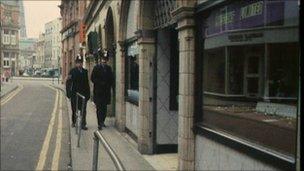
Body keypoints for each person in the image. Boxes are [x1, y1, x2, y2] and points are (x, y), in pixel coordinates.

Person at [91, 50, 114, 130]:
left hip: (106, 92)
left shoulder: (109, 68)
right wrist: (100, 83)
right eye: (103, 59)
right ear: (101, 60)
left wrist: (110, 86)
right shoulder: (96, 68)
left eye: (105, 59)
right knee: (99, 108)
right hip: (98, 92)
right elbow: (92, 78)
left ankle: (103, 121)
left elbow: (111, 79)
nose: (104, 61)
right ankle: (99, 123)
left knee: (104, 108)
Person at [66, 55, 90, 130]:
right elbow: (68, 83)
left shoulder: (85, 71)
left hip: (83, 94)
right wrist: (68, 94)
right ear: (76, 63)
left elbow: (87, 83)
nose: (79, 64)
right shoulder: (72, 71)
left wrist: (88, 94)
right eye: (78, 63)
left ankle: (83, 124)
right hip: (74, 94)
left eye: (80, 62)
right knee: (74, 109)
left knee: (83, 110)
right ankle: (74, 122)